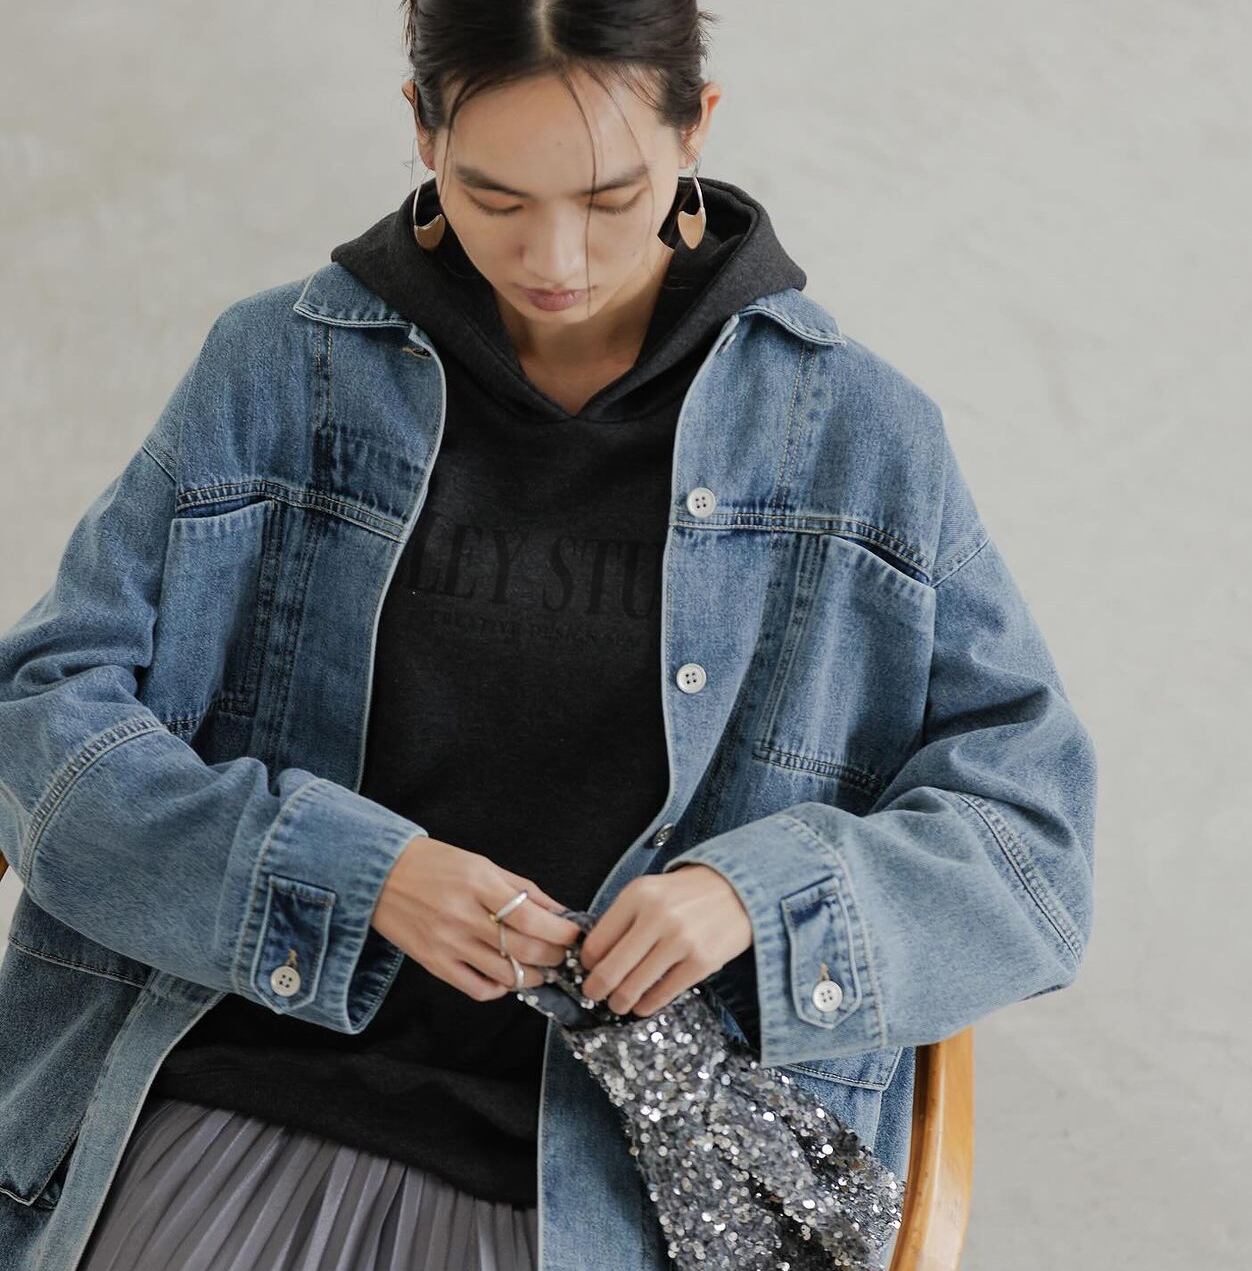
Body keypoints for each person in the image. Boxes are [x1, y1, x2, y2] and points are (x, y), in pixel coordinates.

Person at [0, 2, 1097, 1269]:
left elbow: (1033, 848)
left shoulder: (856, 438)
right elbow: (43, 711)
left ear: (697, 128)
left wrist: (751, 897)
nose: (555, 257)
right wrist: (349, 873)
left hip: (631, 1191)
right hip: (243, 1099)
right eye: (495, 196)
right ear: (422, 132)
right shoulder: (279, 371)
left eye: (612, 197)